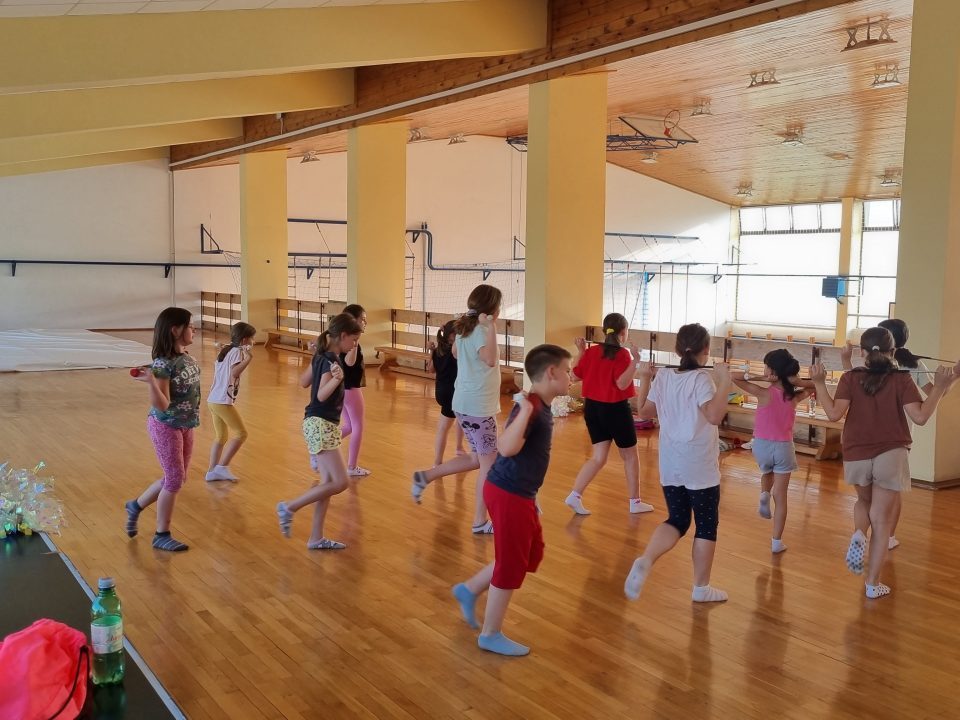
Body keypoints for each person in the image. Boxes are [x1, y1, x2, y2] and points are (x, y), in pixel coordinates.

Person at [812, 326, 958, 598]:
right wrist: (939, 387)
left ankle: (859, 533)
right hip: (891, 453)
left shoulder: (850, 377)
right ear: (894, 352)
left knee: (863, 502)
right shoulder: (902, 379)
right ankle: (872, 585)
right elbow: (920, 417)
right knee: (881, 521)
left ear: (862, 352)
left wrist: (819, 383)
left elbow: (833, 414)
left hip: (856, 452)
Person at [450, 344, 572, 656]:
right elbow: (505, 448)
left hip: (521, 493)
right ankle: (490, 634)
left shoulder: (539, 404)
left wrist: (534, 496)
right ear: (552, 372)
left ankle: (469, 589)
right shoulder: (531, 406)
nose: (571, 377)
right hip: (508, 493)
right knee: (512, 562)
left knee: (530, 553)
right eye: (568, 371)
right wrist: (526, 412)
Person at [624, 323, 731, 603]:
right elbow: (714, 416)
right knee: (706, 525)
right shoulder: (701, 379)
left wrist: (644, 377)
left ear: (677, 349)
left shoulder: (664, 376)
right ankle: (701, 588)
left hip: (671, 463)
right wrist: (725, 382)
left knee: (678, 520)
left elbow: (644, 411)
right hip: (699, 465)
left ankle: (647, 559)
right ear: (705, 350)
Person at [412, 284, 503, 535]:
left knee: (476, 459)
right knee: (488, 465)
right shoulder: (482, 330)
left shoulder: (465, 329)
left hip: (463, 404)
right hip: (478, 407)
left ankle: (426, 476)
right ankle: (479, 521)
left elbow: (454, 352)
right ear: (492, 310)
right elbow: (491, 359)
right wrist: (492, 328)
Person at [840, 318, 933, 550]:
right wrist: (947, 383)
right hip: (895, 440)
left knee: (865, 499)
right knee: (891, 493)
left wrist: (845, 362)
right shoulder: (911, 368)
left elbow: (850, 384)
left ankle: (862, 533)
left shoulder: (862, 369)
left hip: (861, 442)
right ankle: (888, 536)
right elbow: (930, 397)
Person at [276, 313, 363, 550]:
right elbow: (321, 395)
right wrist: (337, 379)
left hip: (320, 424)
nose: (354, 345)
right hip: (321, 424)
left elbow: (303, 381)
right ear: (343, 336)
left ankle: (316, 538)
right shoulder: (332, 361)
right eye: (353, 340)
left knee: (327, 483)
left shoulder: (323, 356)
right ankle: (289, 507)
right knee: (341, 482)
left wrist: (316, 359)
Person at [124, 307, 200, 552]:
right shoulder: (162, 364)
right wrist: (151, 382)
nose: (194, 330)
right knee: (175, 479)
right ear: (175, 330)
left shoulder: (185, 357)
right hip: (166, 425)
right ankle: (161, 534)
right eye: (190, 326)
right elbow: (162, 404)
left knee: (177, 477)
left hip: (186, 424)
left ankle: (135, 505)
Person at [565, 312, 654, 516]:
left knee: (598, 458)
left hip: (592, 409)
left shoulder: (591, 352)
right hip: (615, 410)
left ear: (605, 331)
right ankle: (635, 502)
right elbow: (622, 383)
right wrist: (636, 360)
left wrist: (581, 352)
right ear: (623, 332)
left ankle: (575, 495)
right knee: (630, 457)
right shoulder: (622, 354)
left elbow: (574, 376)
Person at [731, 349, 813, 553]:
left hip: (761, 445)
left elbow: (734, 376)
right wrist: (797, 381)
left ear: (772, 371)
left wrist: (762, 377)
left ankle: (764, 494)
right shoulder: (794, 397)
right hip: (784, 447)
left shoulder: (763, 393)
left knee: (767, 472)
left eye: (766, 367)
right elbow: (813, 386)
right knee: (781, 496)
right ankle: (776, 542)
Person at [205, 321, 256, 482]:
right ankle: (221, 468)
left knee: (221, 437)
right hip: (221, 401)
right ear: (244, 340)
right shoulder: (237, 352)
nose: (253, 341)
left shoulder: (227, 349)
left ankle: (212, 471)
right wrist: (248, 358)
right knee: (241, 433)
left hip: (213, 400)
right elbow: (234, 372)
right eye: (252, 338)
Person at [427, 320, 466, 466]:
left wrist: (431, 351)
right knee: (447, 426)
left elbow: (431, 369)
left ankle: (458, 448)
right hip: (453, 393)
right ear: (453, 335)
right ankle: (439, 461)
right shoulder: (456, 351)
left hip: (441, 392)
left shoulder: (439, 350)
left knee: (457, 419)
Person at [339, 304, 370, 478]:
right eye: (362, 319)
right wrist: (356, 342)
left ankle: (321, 446)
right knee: (358, 426)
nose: (365, 322)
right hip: (350, 389)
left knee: (349, 426)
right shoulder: (351, 341)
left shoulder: (342, 338)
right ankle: (352, 466)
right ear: (353, 320)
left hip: (342, 389)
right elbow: (349, 362)